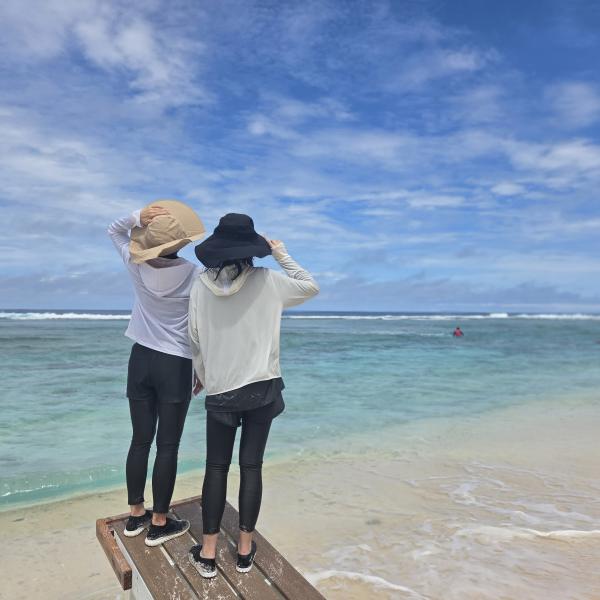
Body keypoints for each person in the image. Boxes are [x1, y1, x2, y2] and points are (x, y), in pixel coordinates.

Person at [187, 213, 319, 578]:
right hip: (262, 388)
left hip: (221, 390)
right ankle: (244, 551)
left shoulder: (199, 286)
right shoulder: (269, 281)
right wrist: (281, 254)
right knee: (251, 466)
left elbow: (194, 337)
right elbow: (310, 286)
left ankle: (208, 553)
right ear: (251, 249)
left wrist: (204, 377)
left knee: (216, 468)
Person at [107, 200, 205, 547]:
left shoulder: (136, 264)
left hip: (141, 359)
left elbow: (114, 230)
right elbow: (201, 327)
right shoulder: (196, 275)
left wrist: (137, 217)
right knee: (168, 445)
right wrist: (201, 369)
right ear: (182, 243)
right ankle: (160, 521)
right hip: (175, 363)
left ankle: (136, 514)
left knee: (140, 440)